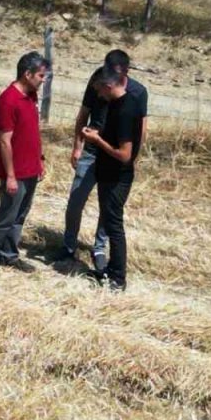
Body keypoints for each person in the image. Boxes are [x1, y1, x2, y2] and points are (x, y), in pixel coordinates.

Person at [59, 49, 149, 267]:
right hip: (91, 151)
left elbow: (142, 128)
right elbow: (83, 115)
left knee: (107, 205)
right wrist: (77, 147)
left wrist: (131, 157)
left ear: (125, 71)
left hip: (115, 154)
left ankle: (99, 248)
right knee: (76, 199)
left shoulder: (137, 92)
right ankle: (68, 245)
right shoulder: (98, 79)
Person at [80, 63, 146, 291]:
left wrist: (97, 141)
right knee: (109, 221)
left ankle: (118, 278)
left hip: (118, 177)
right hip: (108, 173)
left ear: (109, 86)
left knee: (114, 226)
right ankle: (109, 270)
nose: (97, 94)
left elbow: (125, 154)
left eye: (99, 89)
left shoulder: (126, 110)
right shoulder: (119, 104)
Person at [0, 51, 48, 273]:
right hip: (15, 172)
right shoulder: (8, 100)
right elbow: (4, 141)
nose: (43, 80)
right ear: (27, 74)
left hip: (30, 168)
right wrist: (10, 175)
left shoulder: (31, 96)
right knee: (7, 215)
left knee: (20, 215)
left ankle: (9, 255)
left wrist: (40, 159)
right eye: (40, 75)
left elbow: (33, 132)